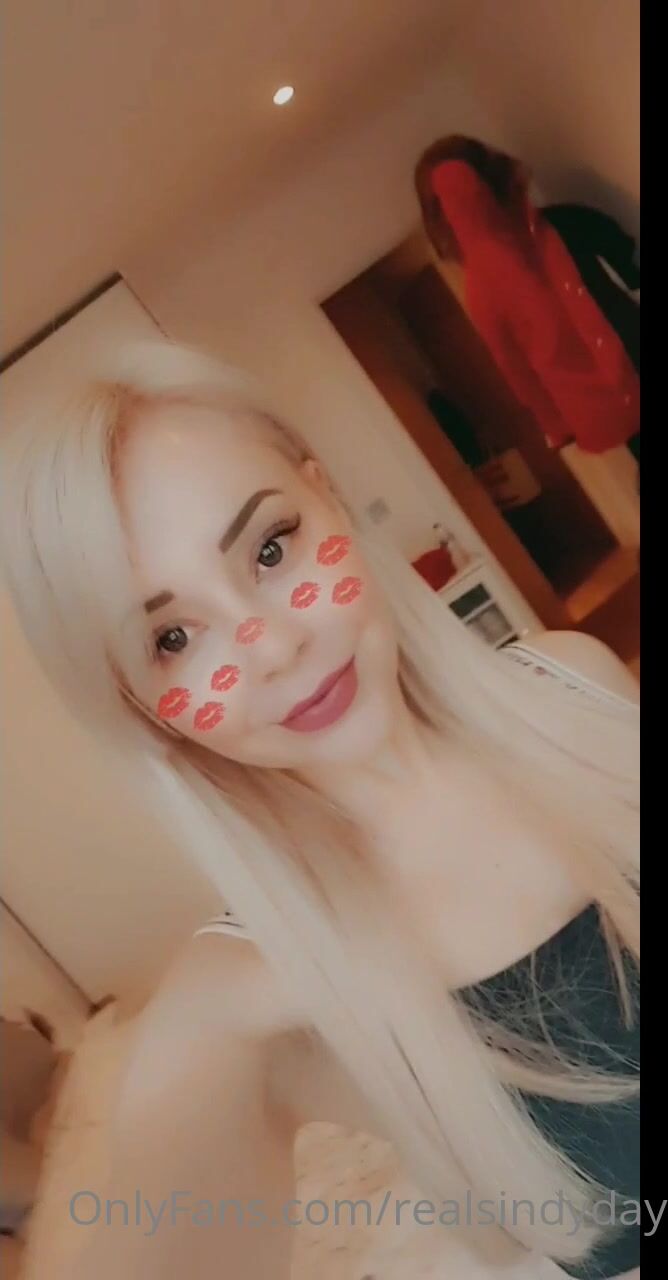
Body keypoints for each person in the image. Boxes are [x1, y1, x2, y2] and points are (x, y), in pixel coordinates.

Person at [0, 340, 639, 1279]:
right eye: (173, 637)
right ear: (139, 703)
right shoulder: (236, 1004)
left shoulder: (572, 685)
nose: (273, 647)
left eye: (269, 548)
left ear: (325, 494)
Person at [414, 137, 640, 461]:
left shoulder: (570, 224)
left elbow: (630, 269)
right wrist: (557, 426)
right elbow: (519, 373)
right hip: (616, 418)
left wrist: (559, 427)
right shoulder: (484, 294)